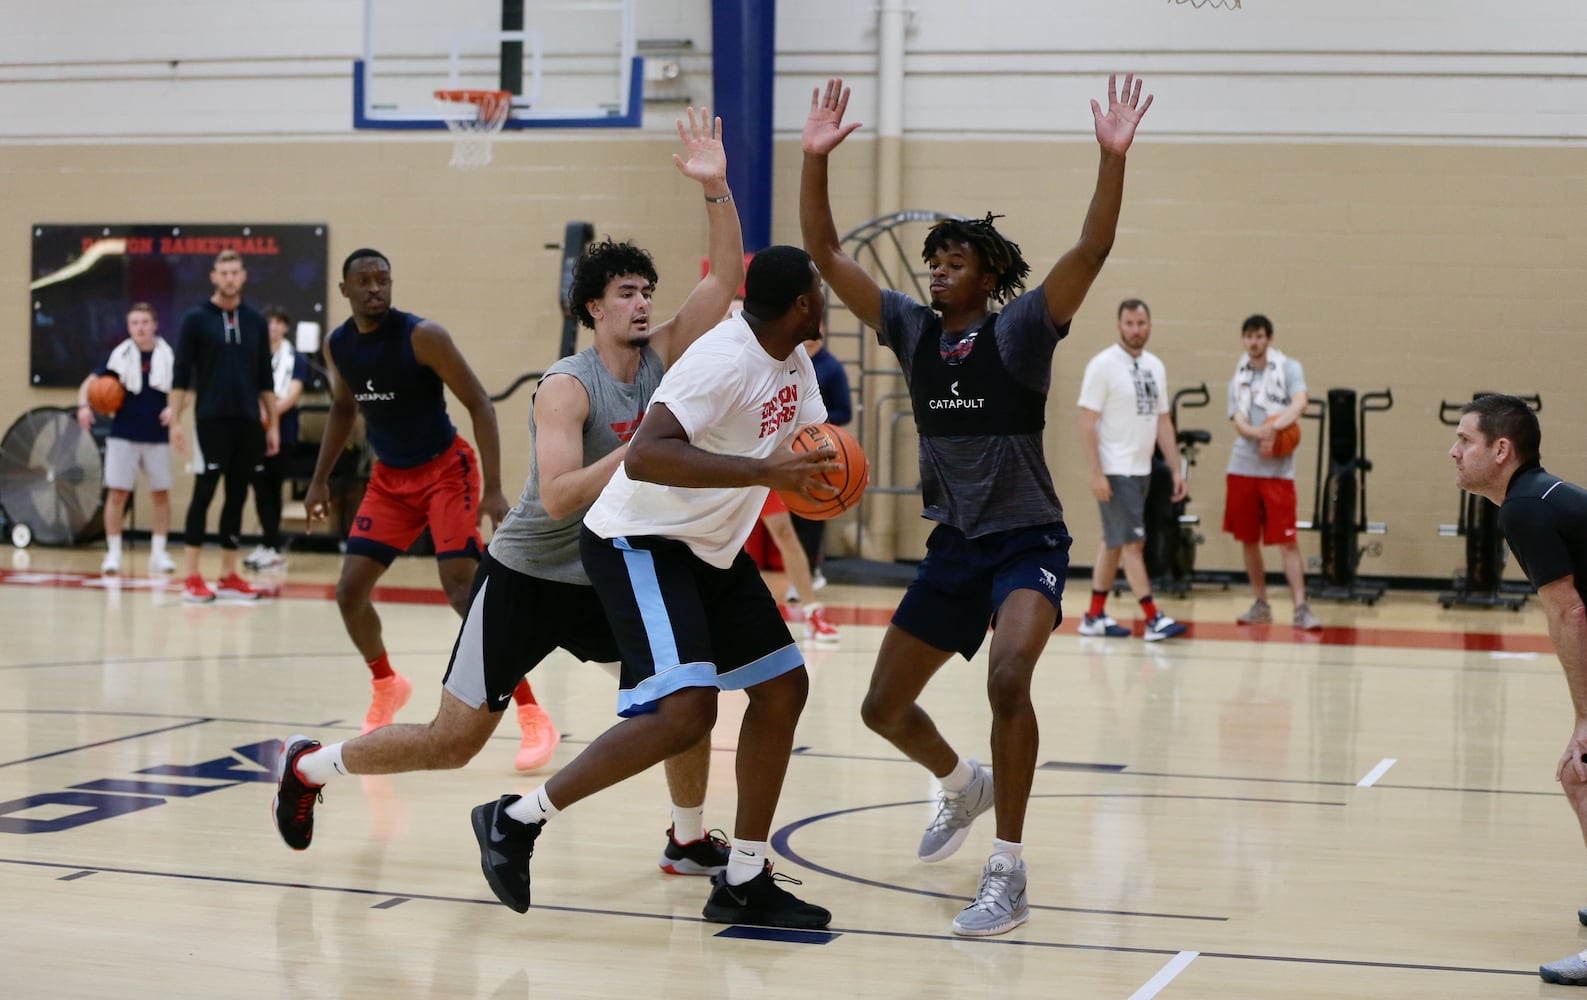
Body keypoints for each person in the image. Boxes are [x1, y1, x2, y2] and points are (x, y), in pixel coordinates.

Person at [272, 108, 741, 873]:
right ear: (594, 307)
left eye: (648, 290)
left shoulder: (661, 357)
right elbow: (557, 499)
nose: (643, 302)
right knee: (450, 744)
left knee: (684, 696)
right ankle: (308, 767)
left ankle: (686, 839)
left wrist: (715, 187)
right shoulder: (567, 387)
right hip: (529, 574)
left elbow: (724, 278)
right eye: (627, 291)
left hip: (607, 574)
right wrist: (640, 451)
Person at [801, 74, 1152, 936]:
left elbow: (1092, 250)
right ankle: (964, 786)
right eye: (933, 261)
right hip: (954, 544)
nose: (937, 269)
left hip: (1025, 538)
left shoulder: (1021, 328)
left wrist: (1110, 160)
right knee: (881, 708)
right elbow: (825, 255)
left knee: (1007, 677)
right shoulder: (912, 331)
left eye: (953, 260)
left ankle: (1007, 871)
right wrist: (813, 162)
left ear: (987, 274)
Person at [465, 246, 837, 930]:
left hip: (709, 548)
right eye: (820, 288)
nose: (825, 295)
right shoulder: (722, 359)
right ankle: (514, 819)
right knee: (685, 713)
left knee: (784, 687)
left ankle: (746, 877)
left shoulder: (795, 360)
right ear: (803, 305)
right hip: (639, 540)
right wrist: (763, 471)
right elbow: (646, 453)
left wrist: (826, 471)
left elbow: (811, 441)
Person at [294, 247, 546, 750]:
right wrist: (319, 479)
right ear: (344, 290)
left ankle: (531, 710)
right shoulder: (339, 345)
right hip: (390, 480)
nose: (374, 288)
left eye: (382, 279)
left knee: (461, 592)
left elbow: (479, 403)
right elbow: (344, 409)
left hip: (444, 471)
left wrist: (493, 488)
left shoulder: (422, 336)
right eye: (363, 281)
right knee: (348, 592)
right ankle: (387, 684)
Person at [1445, 395, 1587, 986]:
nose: (1453, 451)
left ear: (1501, 450)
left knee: (1582, 770)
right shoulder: (1537, 496)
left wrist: (1584, 721)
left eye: (1465, 441)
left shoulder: (1523, 509)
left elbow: (1570, 614)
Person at [726, 295, 840, 645]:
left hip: (764, 462)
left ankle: (812, 613)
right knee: (725, 541)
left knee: (786, 536)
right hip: (723, 466)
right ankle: (724, 612)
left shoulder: (783, 360)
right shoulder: (717, 359)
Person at [166, 250, 278, 603]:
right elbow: (181, 375)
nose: (229, 278)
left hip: (247, 420)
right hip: (210, 420)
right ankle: (192, 576)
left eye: (234, 272)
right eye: (223, 272)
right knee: (204, 492)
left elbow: (266, 379)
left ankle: (229, 576)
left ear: (243, 276)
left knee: (237, 495)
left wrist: (272, 424)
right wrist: (175, 422)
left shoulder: (256, 322)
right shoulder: (195, 320)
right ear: (214, 277)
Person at [1076, 298, 1187, 642]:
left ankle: (1093, 616)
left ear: (1149, 325)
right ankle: (1153, 618)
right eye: (1129, 324)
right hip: (1115, 471)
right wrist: (1096, 473)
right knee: (1132, 545)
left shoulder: (1155, 366)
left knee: (1113, 543)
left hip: (1143, 470)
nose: (1136, 330)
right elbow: (1087, 423)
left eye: (1141, 323)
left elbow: (1163, 422)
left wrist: (1176, 468)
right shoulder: (1103, 365)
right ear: (1119, 325)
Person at [1224, 313, 1321, 631]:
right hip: (1243, 467)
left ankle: (1301, 607)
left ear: (1269, 339)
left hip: (1278, 471)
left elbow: (1300, 403)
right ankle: (1261, 603)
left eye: (1259, 336)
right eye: (1249, 336)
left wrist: (1273, 428)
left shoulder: (1289, 368)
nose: (1254, 341)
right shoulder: (1237, 377)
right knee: (1248, 540)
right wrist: (1257, 434)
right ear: (1243, 339)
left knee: (1287, 542)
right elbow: (1237, 420)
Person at [77, 302, 181, 576]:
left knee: (160, 494)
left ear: (155, 325)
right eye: (134, 323)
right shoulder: (118, 356)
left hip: (156, 435)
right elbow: (89, 384)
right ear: (129, 327)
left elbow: (186, 389)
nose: (140, 327)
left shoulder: (168, 355)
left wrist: (176, 409)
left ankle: (159, 554)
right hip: (123, 434)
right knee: (117, 494)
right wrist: (83, 406)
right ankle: (113, 554)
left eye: (145, 322)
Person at [240, 306, 309, 573]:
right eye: (269, 322)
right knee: (258, 487)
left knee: (273, 486)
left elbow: (292, 394)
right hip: (254, 429)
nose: (273, 327)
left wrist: (270, 413)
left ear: (285, 327)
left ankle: (274, 545)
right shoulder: (253, 355)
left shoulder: (296, 359)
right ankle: (266, 543)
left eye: (279, 323)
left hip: (283, 430)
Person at [787, 323, 853, 598]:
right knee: (789, 516)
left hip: (819, 449)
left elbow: (844, 411)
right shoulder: (790, 364)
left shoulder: (832, 367)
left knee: (811, 515)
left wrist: (815, 426)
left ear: (823, 330)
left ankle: (809, 573)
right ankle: (798, 575)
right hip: (788, 450)